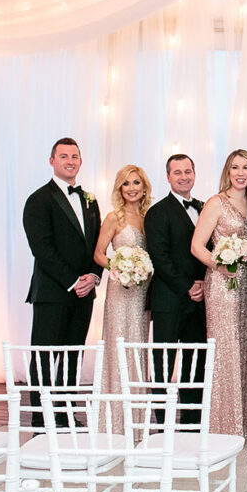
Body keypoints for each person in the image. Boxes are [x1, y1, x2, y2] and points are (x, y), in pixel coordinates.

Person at [22, 137, 102, 424]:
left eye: (75, 156)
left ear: (80, 161)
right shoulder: (38, 199)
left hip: (84, 294)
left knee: (72, 357)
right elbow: (42, 249)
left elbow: (98, 245)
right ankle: (41, 422)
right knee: (45, 357)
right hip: (53, 292)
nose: (70, 161)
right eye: (64, 156)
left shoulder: (89, 200)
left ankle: (65, 415)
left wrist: (93, 276)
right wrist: (72, 281)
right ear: (52, 161)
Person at [191, 149, 247, 441]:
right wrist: (221, 265)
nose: (240, 172)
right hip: (222, 285)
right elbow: (197, 246)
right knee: (225, 351)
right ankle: (222, 426)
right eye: (235, 167)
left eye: (246, 167)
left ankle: (245, 424)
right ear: (227, 171)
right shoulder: (216, 203)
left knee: (246, 350)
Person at [144, 154, 207, 424]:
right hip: (169, 299)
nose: (184, 176)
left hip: (201, 300)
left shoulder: (205, 208)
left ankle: (192, 420)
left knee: (197, 361)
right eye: (177, 172)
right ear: (168, 177)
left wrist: (204, 284)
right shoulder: (157, 212)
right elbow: (160, 257)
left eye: (188, 171)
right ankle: (163, 419)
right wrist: (187, 286)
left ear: (195, 173)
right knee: (163, 363)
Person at [93, 165, 152, 433]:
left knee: (138, 346)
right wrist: (118, 269)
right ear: (120, 188)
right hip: (120, 290)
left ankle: (138, 420)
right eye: (126, 184)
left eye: (136, 183)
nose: (131, 188)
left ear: (144, 187)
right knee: (119, 347)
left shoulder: (148, 217)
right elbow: (99, 254)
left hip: (143, 292)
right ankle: (114, 420)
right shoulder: (113, 218)